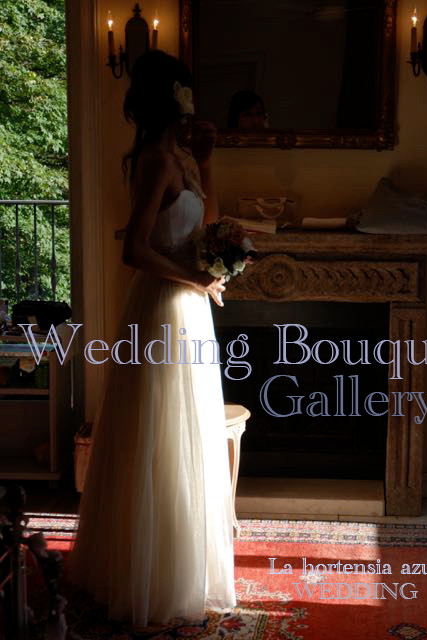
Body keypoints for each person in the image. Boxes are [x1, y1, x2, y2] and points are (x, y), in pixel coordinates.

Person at [67, 50, 236, 628]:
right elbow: (134, 250)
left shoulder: (182, 160)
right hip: (163, 308)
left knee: (185, 435)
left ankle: (180, 570)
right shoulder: (154, 161)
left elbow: (208, 229)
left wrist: (207, 166)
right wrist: (196, 280)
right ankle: (145, 578)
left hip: (189, 309)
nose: (193, 102)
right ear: (172, 100)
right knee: (157, 436)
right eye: (186, 92)